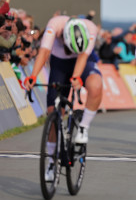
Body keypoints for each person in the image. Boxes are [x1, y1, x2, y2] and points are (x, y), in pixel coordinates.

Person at [24, 16, 102, 180]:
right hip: (59, 63)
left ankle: (83, 127)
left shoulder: (91, 29)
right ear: (64, 38)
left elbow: (81, 57)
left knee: (95, 85)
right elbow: (44, 52)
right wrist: (33, 76)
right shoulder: (55, 24)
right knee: (53, 112)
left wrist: (76, 77)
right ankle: (52, 163)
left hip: (83, 60)